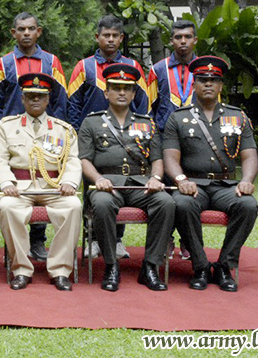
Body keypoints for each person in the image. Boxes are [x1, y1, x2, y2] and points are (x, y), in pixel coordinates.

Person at [163, 56, 258, 292]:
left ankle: (225, 265)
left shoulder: (237, 117)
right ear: (194, 85)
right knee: (182, 204)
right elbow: (170, 157)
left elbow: (249, 155)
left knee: (248, 205)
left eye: (213, 80)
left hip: (225, 186)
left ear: (220, 86)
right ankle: (201, 266)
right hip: (193, 185)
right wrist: (181, 180)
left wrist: (246, 181)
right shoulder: (178, 117)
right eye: (202, 80)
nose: (208, 84)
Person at [79, 63, 175, 291]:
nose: (121, 93)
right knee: (102, 204)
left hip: (140, 184)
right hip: (107, 184)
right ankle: (111, 265)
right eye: (116, 88)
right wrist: (98, 179)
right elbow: (83, 159)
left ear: (133, 94)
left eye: (127, 89)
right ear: (106, 93)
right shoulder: (91, 122)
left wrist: (156, 178)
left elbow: (157, 158)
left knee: (166, 202)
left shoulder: (147, 123)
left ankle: (150, 266)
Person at [0, 12, 69, 262]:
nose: (26, 33)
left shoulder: (52, 62)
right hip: (13, 136)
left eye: (31, 29)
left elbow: (60, 101)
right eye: (21, 29)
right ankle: (14, 248)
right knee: (15, 191)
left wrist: (57, 134)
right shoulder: (3, 64)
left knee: (43, 181)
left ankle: (38, 242)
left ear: (39, 31)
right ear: (14, 33)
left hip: (46, 135)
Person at [68, 15, 149, 259]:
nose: (110, 39)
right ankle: (92, 239)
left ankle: (117, 240)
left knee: (122, 183)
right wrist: (77, 134)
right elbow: (73, 104)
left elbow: (143, 103)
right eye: (106, 35)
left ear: (121, 38)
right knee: (93, 188)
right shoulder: (84, 67)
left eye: (115, 35)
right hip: (91, 138)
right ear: (97, 37)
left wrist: (138, 135)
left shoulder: (133, 67)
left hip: (127, 140)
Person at [0, 73, 81, 291]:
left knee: (73, 206)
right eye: (30, 96)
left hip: (53, 187)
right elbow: (0, 159)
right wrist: (6, 183)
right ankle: (21, 269)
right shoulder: (7, 126)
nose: (35, 100)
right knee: (7, 207)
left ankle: (60, 270)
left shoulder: (63, 129)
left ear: (48, 99)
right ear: (22, 99)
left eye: (40, 96)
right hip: (19, 188)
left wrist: (70, 182)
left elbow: (72, 160)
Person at [147, 19, 199, 260]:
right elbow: (149, 108)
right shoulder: (158, 70)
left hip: (195, 140)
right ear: (171, 41)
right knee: (166, 191)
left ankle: (187, 239)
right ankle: (166, 238)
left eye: (187, 37)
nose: (183, 41)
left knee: (190, 190)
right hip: (164, 139)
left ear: (195, 40)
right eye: (178, 37)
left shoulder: (204, 68)